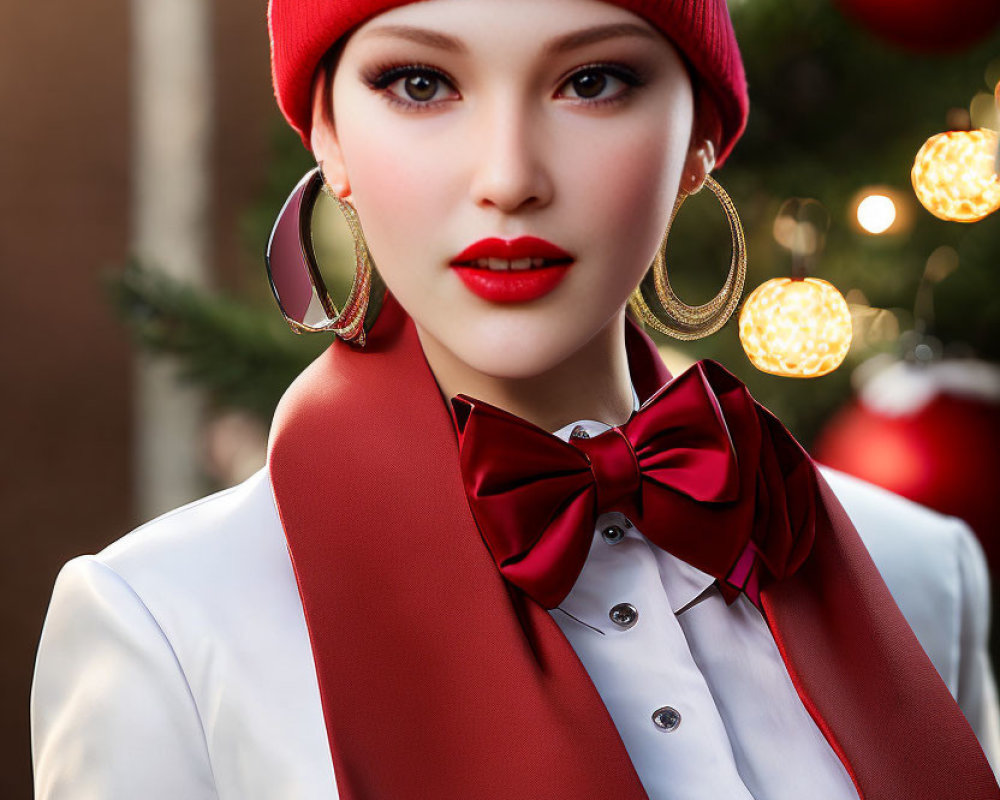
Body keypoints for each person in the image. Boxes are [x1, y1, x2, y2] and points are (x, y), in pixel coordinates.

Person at [30, 1, 1000, 798]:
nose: (507, 177)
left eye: (592, 81)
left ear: (703, 132)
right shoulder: (163, 623)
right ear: (326, 130)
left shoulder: (922, 572)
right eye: (420, 84)